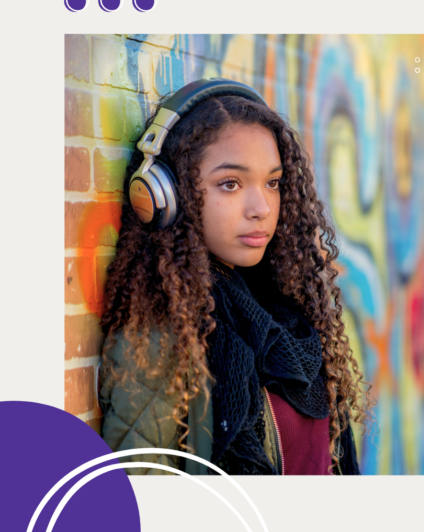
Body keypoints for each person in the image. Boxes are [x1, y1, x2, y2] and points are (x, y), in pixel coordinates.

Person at [98, 79, 373, 475]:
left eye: (273, 183)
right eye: (230, 184)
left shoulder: (289, 315)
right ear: (164, 196)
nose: (261, 207)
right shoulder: (161, 337)